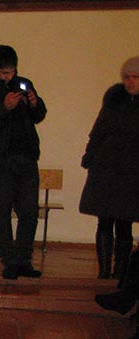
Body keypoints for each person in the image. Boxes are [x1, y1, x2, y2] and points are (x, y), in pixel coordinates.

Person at [0, 44, 47, 280]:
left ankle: (24, 260)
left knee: (29, 212)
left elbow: (39, 115)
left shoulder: (23, 83)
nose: (9, 76)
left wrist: (34, 103)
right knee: (2, 212)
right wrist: (4, 108)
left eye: (12, 71)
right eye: (5, 72)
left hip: (26, 158)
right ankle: (9, 262)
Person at [79, 55, 139, 281]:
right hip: (106, 169)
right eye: (127, 77)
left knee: (124, 223)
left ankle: (121, 271)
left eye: (135, 77)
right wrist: (90, 157)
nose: (130, 81)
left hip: (132, 173)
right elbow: (98, 132)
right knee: (104, 221)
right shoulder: (113, 101)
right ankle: (104, 272)